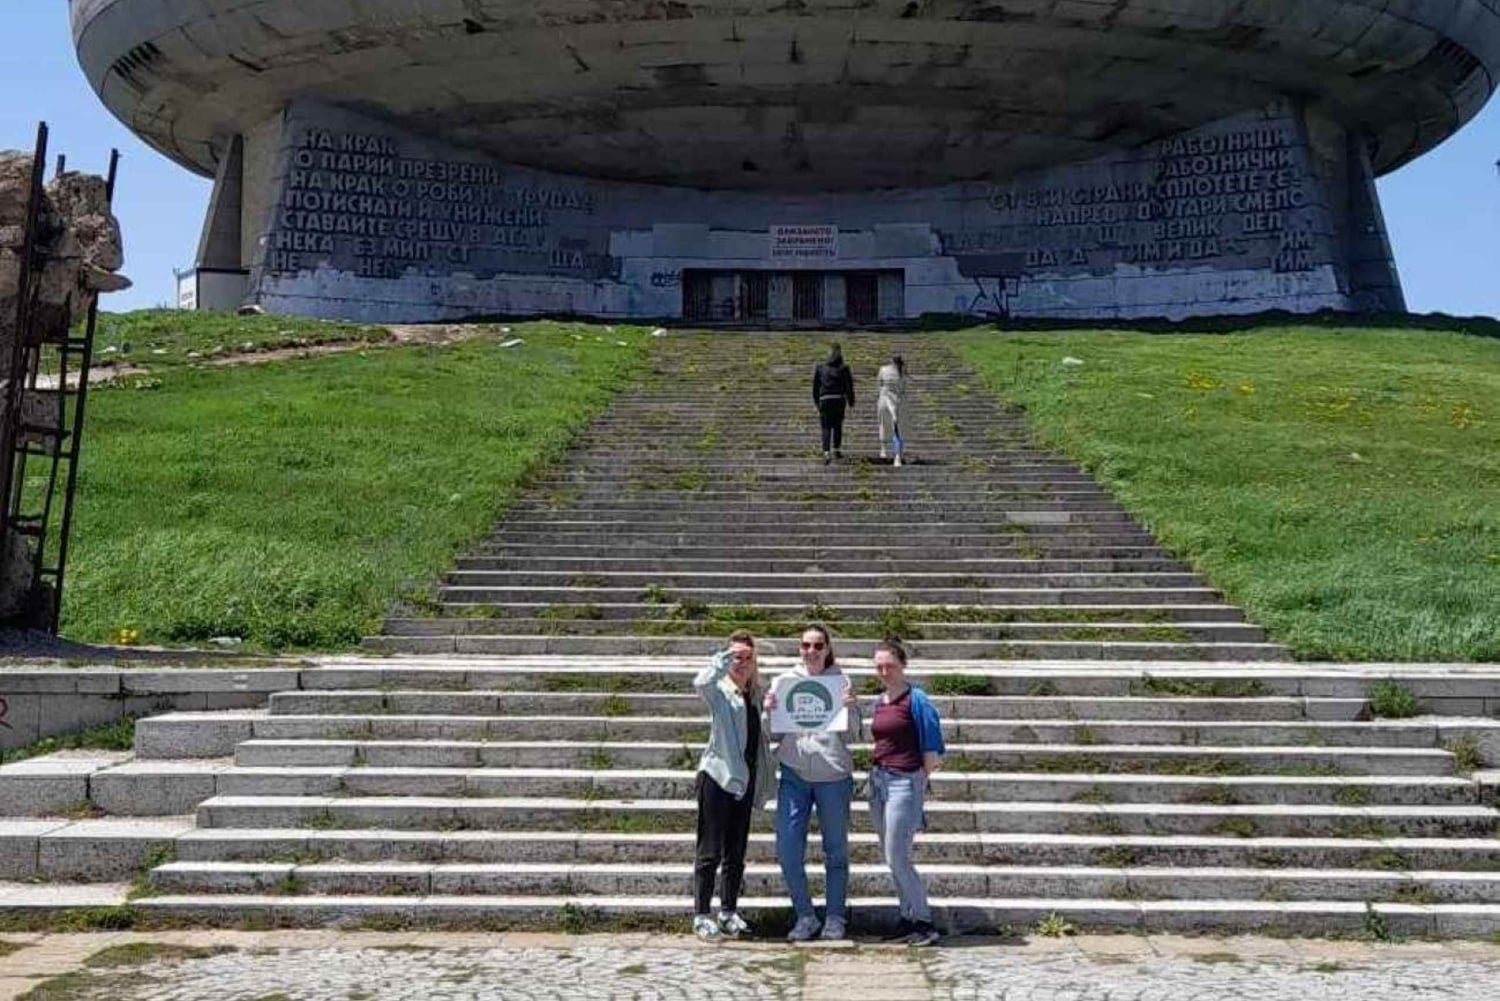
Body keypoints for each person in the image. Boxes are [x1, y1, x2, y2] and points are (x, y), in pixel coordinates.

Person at [765, 624, 861, 941]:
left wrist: (852, 710)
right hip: (794, 773)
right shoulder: (783, 681)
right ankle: (805, 915)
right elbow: (772, 734)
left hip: (833, 775)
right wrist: (768, 713)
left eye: (818, 645)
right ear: (799, 648)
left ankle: (835, 916)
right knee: (788, 849)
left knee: (836, 851)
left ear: (828, 648)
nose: (811, 651)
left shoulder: (841, 682)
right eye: (806, 645)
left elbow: (853, 736)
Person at [691, 630, 775, 940]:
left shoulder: (755, 695)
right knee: (709, 850)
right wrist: (719, 662)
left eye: (746, 657)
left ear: (755, 662)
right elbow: (700, 683)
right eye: (734, 657)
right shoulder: (720, 691)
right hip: (717, 778)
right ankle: (701, 914)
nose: (740, 663)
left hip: (745, 781)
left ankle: (728, 911)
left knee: (735, 852)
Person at [867, 635, 946, 947]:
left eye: (890, 665)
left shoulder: (918, 699)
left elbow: (932, 747)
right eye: (879, 667)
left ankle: (924, 920)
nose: (884, 671)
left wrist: (919, 780)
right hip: (879, 781)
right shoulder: (879, 701)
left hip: (904, 780)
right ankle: (906, 916)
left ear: (902, 666)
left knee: (897, 854)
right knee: (890, 856)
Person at [812, 344, 856, 464]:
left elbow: (816, 387)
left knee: (825, 426)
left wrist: (816, 401)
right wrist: (851, 400)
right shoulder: (844, 368)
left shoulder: (820, 368)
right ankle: (836, 449)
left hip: (825, 399)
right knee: (837, 425)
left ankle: (826, 452)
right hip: (839, 399)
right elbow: (849, 386)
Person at [877, 354, 907, 467]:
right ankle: (898, 457)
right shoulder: (903, 373)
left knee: (883, 425)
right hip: (898, 402)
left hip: (884, 401)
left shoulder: (883, 370)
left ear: (891, 361)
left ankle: (883, 449)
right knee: (898, 430)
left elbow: (879, 385)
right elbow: (904, 388)